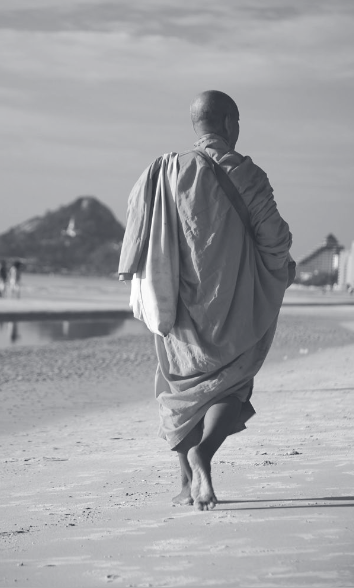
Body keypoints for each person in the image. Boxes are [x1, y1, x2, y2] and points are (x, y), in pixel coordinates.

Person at [119, 90, 295, 511]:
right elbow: (275, 238)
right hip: (234, 301)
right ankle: (205, 453)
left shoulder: (162, 173)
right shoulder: (245, 174)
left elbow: (138, 232)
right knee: (229, 384)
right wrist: (278, 271)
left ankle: (185, 482)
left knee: (178, 387)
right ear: (230, 123)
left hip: (176, 304)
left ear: (196, 125)